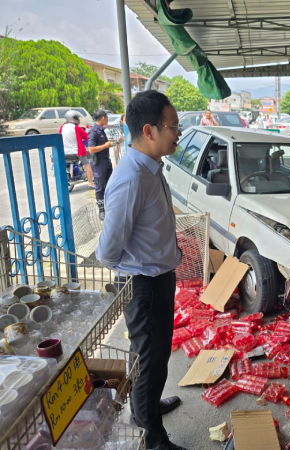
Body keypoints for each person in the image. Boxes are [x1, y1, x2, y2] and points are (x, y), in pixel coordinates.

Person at [96, 90, 185, 450]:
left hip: (158, 277)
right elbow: (107, 250)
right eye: (172, 127)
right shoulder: (131, 177)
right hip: (143, 283)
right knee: (150, 360)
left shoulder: (150, 167)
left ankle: (143, 408)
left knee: (154, 355)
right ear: (149, 130)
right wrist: (134, 271)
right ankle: (152, 438)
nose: (177, 133)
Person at [87, 109, 115, 219]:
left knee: (110, 185)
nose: (107, 119)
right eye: (107, 117)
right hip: (99, 163)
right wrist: (106, 145)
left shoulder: (101, 130)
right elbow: (91, 149)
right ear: (103, 118)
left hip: (106, 161)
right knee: (100, 187)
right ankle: (101, 211)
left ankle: (111, 207)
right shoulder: (94, 131)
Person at [59, 110, 94, 189]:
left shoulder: (62, 126)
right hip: (76, 152)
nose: (79, 119)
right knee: (88, 166)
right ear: (74, 118)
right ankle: (91, 183)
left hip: (64, 152)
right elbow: (87, 137)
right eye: (77, 118)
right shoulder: (77, 128)